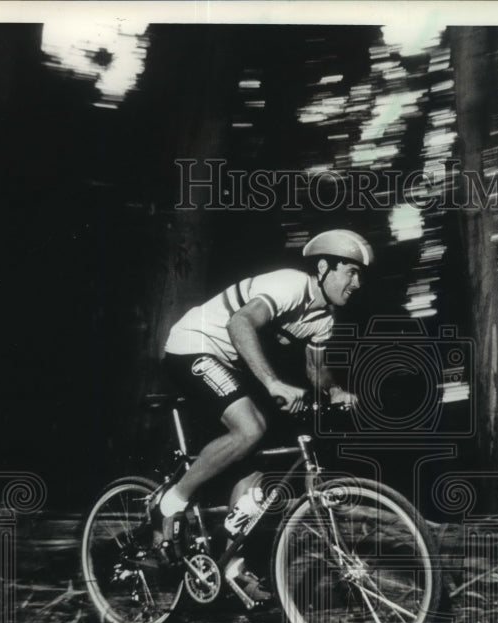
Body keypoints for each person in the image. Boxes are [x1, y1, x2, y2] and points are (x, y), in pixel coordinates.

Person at [152, 229, 373, 592]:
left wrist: (334, 390)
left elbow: (315, 369)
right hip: (194, 344)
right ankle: (171, 501)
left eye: (360, 275)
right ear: (323, 267)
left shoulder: (323, 320)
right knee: (250, 428)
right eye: (350, 272)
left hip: (230, 362)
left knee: (261, 458)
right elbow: (239, 323)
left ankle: (231, 566)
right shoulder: (290, 285)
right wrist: (272, 383)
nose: (357, 283)